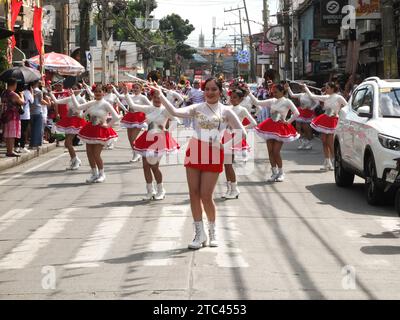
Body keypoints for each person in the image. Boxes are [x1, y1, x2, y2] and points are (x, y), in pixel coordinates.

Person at [156, 78, 246, 250]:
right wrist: (161, 95)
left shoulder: (226, 111)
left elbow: (241, 132)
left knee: (206, 195)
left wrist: (224, 146)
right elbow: (175, 111)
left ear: (221, 91)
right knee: (194, 193)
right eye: (207, 89)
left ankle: (212, 231)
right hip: (195, 149)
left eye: (214, 89)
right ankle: (199, 233)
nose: (210, 92)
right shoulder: (197, 108)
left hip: (214, 153)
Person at [125, 88, 180, 200]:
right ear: (152, 98)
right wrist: (126, 93)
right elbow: (132, 105)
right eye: (155, 97)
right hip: (147, 138)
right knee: (145, 166)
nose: (157, 99)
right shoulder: (148, 108)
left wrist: (167, 130)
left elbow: (176, 121)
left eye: (159, 97)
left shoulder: (165, 110)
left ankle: (161, 190)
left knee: (154, 166)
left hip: (159, 139)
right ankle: (150, 191)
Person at [248, 84, 300, 182]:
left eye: (276, 92)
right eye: (273, 92)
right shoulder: (272, 101)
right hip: (269, 126)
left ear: (282, 92)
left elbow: (297, 113)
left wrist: (288, 121)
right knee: (270, 151)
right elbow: (257, 102)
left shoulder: (287, 101)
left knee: (276, 152)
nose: (273, 93)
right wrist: (249, 93)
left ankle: (281, 172)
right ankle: (274, 172)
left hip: (280, 128)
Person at [71, 84, 120, 183]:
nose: (97, 93)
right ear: (93, 93)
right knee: (89, 153)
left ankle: (102, 174)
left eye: (99, 91)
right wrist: (72, 95)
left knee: (96, 154)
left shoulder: (106, 104)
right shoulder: (91, 103)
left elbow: (116, 117)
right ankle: (94, 174)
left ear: (103, 93)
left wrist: (108, 125)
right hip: (90, 130)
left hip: (100, 131)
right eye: (96, 91)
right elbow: (79, 108)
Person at [222, 86, 257, 199]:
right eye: (231, 97)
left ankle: (234, 188)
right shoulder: (228, 108)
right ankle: (230, 189)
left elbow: (254, 123)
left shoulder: (242, 109)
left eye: (235, 98)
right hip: (226, 136)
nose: (232, 99)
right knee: (226, 164)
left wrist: (242, 128)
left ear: (241, 99)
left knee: (228, 164)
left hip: (235, 137)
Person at [303, 82, 348, 171]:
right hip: (325, 119)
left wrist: (338, 113)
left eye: (327, 88)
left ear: (332, 89)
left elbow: (347, 106)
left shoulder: (339, 97)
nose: (326, 89)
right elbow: (312, 96)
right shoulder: (326, 97)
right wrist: (305, 87)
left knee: (330, 142)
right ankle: (327, 162)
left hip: (333, 120)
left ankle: (335, 161)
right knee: (324, 141)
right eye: (326, 88)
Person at [49, 84, 87, 170]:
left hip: (76, 122)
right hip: (68, 121)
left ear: (79, 90)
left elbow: (88, 108)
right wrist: (50, 93)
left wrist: (80, 114)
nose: (73, 90)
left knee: (68, 142)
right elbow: (57, 101)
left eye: (75, 89)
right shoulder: (69, 98)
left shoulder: (81, 99)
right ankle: (74, 160)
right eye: (72, 88)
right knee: (67, 143)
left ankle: (76, 160)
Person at [113, 82, 151, 163]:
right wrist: (116, 89)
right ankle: (135, 153)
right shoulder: (130, 96)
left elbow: (150, 106)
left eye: (137, 88)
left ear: (141, 89)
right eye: (134, 88)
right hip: (130, 117)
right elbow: (120, 96)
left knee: (133, 138)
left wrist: (142, 110)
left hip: (138, 118)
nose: (135, 89)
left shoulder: (143, 97)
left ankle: (137, 154)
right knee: (130, 139)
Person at [285, 82, 318, 150]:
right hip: (301, 111)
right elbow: (292, 95)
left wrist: (311, 108)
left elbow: (317, 103)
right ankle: (302, 142)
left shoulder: (312, 95)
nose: (302, 88)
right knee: (298, 127)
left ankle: (309, 142)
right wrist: (288, 88)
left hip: (308, 113)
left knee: (306, 129)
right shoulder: (301, 94)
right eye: (302, 87)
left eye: (303, 86)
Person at [1, 78, 24, 157]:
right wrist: (22, 95)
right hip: (12, 116)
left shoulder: (3, 92)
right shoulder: (13, 94)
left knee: (7, 134)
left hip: (5, 115)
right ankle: (10, 151)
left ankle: (9, 150)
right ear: (14, 84)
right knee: (12, 134)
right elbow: (22, 102)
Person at [29, 80, 47, 150]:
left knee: (32, 129)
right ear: (36, 83)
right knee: (37, 129)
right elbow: (41, 101)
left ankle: (31, 144)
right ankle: (35, 144)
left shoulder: (29, 91)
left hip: (30, 112)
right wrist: (47, 103)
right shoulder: (39, 91)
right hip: (38, 111)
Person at [16, 83, 33, 153]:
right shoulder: (28, 92)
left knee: (17, 130)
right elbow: (32, 101)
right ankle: (22, 146)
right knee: (23, 131)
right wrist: (32, 93)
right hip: (25, 114)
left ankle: (16, 146)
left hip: (17, 114)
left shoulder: (16, 92)